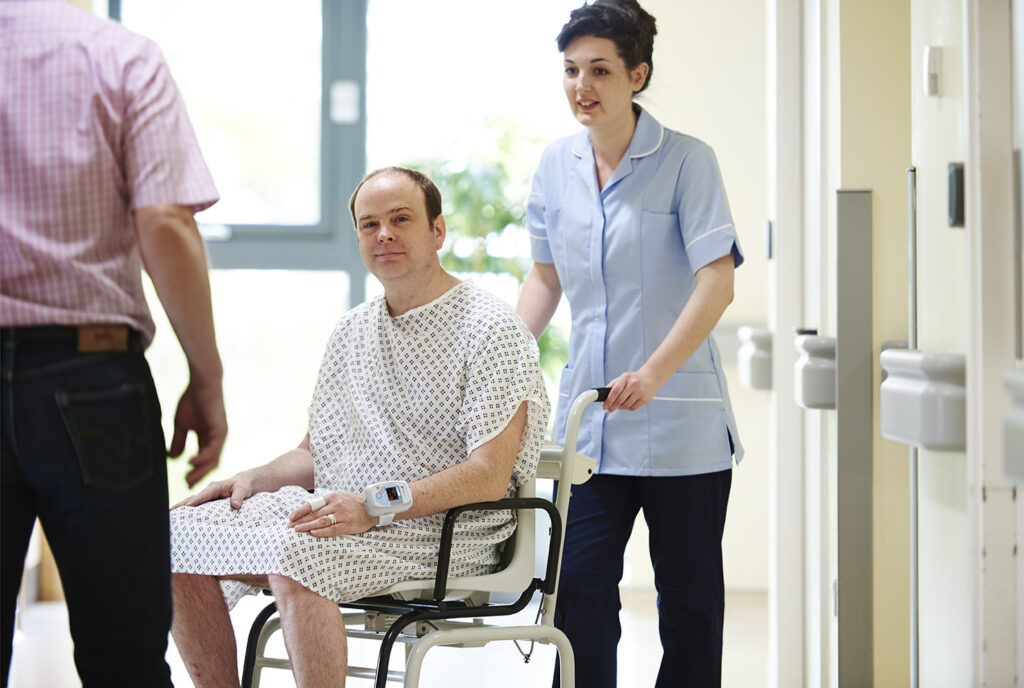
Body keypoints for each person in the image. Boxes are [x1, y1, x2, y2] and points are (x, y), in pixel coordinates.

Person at [169, 167, 550, 688]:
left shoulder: (492, 329)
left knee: (298, 552)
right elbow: (316, 453)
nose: (384, 234)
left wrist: (375, 506)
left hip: (444, 531)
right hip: (344, 510)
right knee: (175, 534)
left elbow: (486, 476)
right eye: (369, 225)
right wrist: (253, 478)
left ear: (437, 231)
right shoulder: (352, 329)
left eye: (400, 220)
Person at [515, 1, 745, 686]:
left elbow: (717, 281)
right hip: (590, 429)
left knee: (689, 605)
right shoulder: (555, 166)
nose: (582, 86)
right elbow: (544, 280)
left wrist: (652, 372)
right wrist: (495, 355)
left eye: (601, 71)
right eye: (571, 70)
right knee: (579, 593)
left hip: (681, 427)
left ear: (637, 74)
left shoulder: (686, 162)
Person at [0, 1, 227, 686]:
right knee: (122, 654)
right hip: (92, 377)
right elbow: (165, 223)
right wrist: (206, 377)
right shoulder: (119, 57)